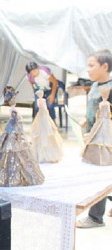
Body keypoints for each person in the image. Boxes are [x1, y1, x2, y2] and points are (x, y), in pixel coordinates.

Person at [77, 49, 112, 229]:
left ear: (105, 66)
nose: (88, 70)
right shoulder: (95, 85)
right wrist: (86, 121)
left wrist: (94, 133)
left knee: (100, 174)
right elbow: (93, 108)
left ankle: (95, 217)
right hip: (92, 136)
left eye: (92, 65)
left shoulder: (110, 88)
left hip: (104, 140)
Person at [0, 86, 45, 187]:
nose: (14, 100)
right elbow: (13, 122)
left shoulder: (13, 109)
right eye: (13, 98)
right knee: (14, 153)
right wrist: (16, 132)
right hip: (15, 134)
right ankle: (14, 177)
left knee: (19, 154)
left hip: (16, 134)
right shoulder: (13, 110)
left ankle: (16, 175)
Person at [30, 90, 63, 163]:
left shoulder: (43, 100)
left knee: (47, 131)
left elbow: (44, 108)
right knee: (40, 130)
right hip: (41, 114)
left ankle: (49, 154)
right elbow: (39, 107)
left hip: (44, 114)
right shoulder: (38, 100)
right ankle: (40, 154)